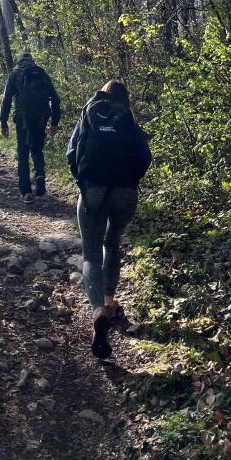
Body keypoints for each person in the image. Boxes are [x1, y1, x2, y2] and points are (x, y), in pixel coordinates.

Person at [67, 79, 151, 359]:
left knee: (90, 254)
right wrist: (131, 181)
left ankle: (98, 312)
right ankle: (109, 300)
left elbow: (72, 152)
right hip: (125, 191)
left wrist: (82, 180)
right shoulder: (128, 119)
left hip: (93, 189)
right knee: (112, 243)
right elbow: (145, 156)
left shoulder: (90, 113)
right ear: (125, 98)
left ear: (102, 94)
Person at [0, 52, 61, 204]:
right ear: (32, 62)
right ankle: (40, 176)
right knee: (37, 149)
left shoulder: (15, 75)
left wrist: (3, 122)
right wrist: (54, 122)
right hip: (41, 118)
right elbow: (55, 99)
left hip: (23, 118)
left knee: (23, 153)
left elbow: (6, 100)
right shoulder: (42, 74)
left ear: (19, 62)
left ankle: (26, 192)